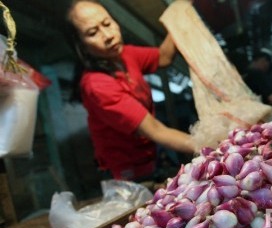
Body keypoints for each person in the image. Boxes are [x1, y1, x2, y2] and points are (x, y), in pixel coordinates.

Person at [66, 0, 195, 181]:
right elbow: (156, 130)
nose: (108, 35)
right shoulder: (96, 85)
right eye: (93, 33)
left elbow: (164, 56)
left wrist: (180, 10)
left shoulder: (124, 55)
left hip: (149, 157)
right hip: (126, 172)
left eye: (107, 23)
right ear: (81, 45)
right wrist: (206, 143)